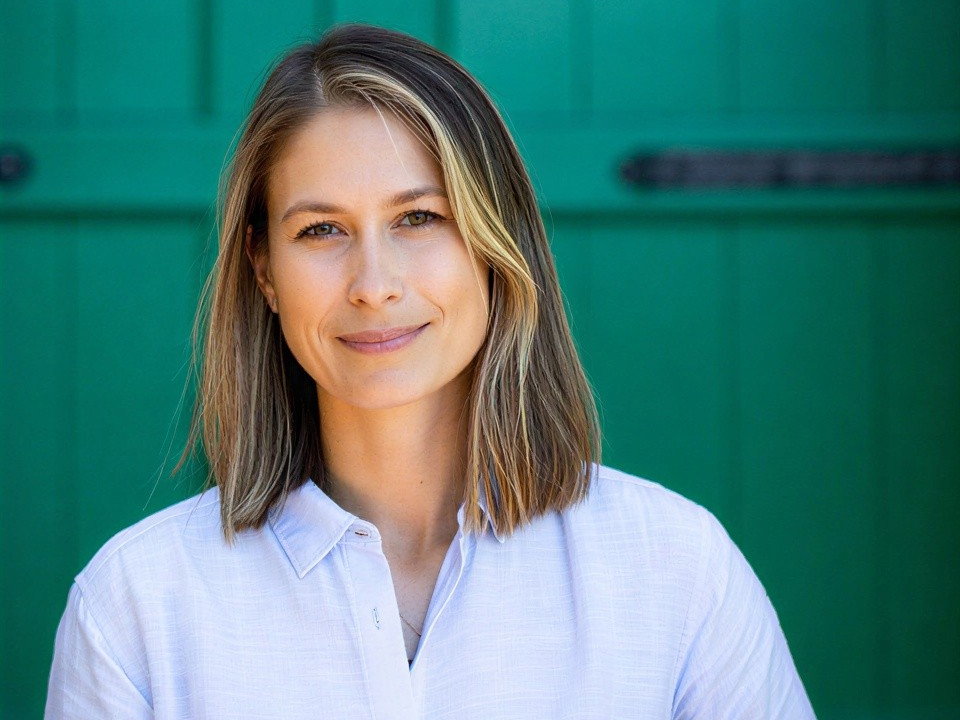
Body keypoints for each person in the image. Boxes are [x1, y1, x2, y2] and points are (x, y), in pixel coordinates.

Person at [45, 22, 817, 719]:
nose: (374, 283)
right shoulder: (134, 606)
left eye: (419, 218)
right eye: (320, 230)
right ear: (264, 270)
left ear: (494, 242)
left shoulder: (675, 573)